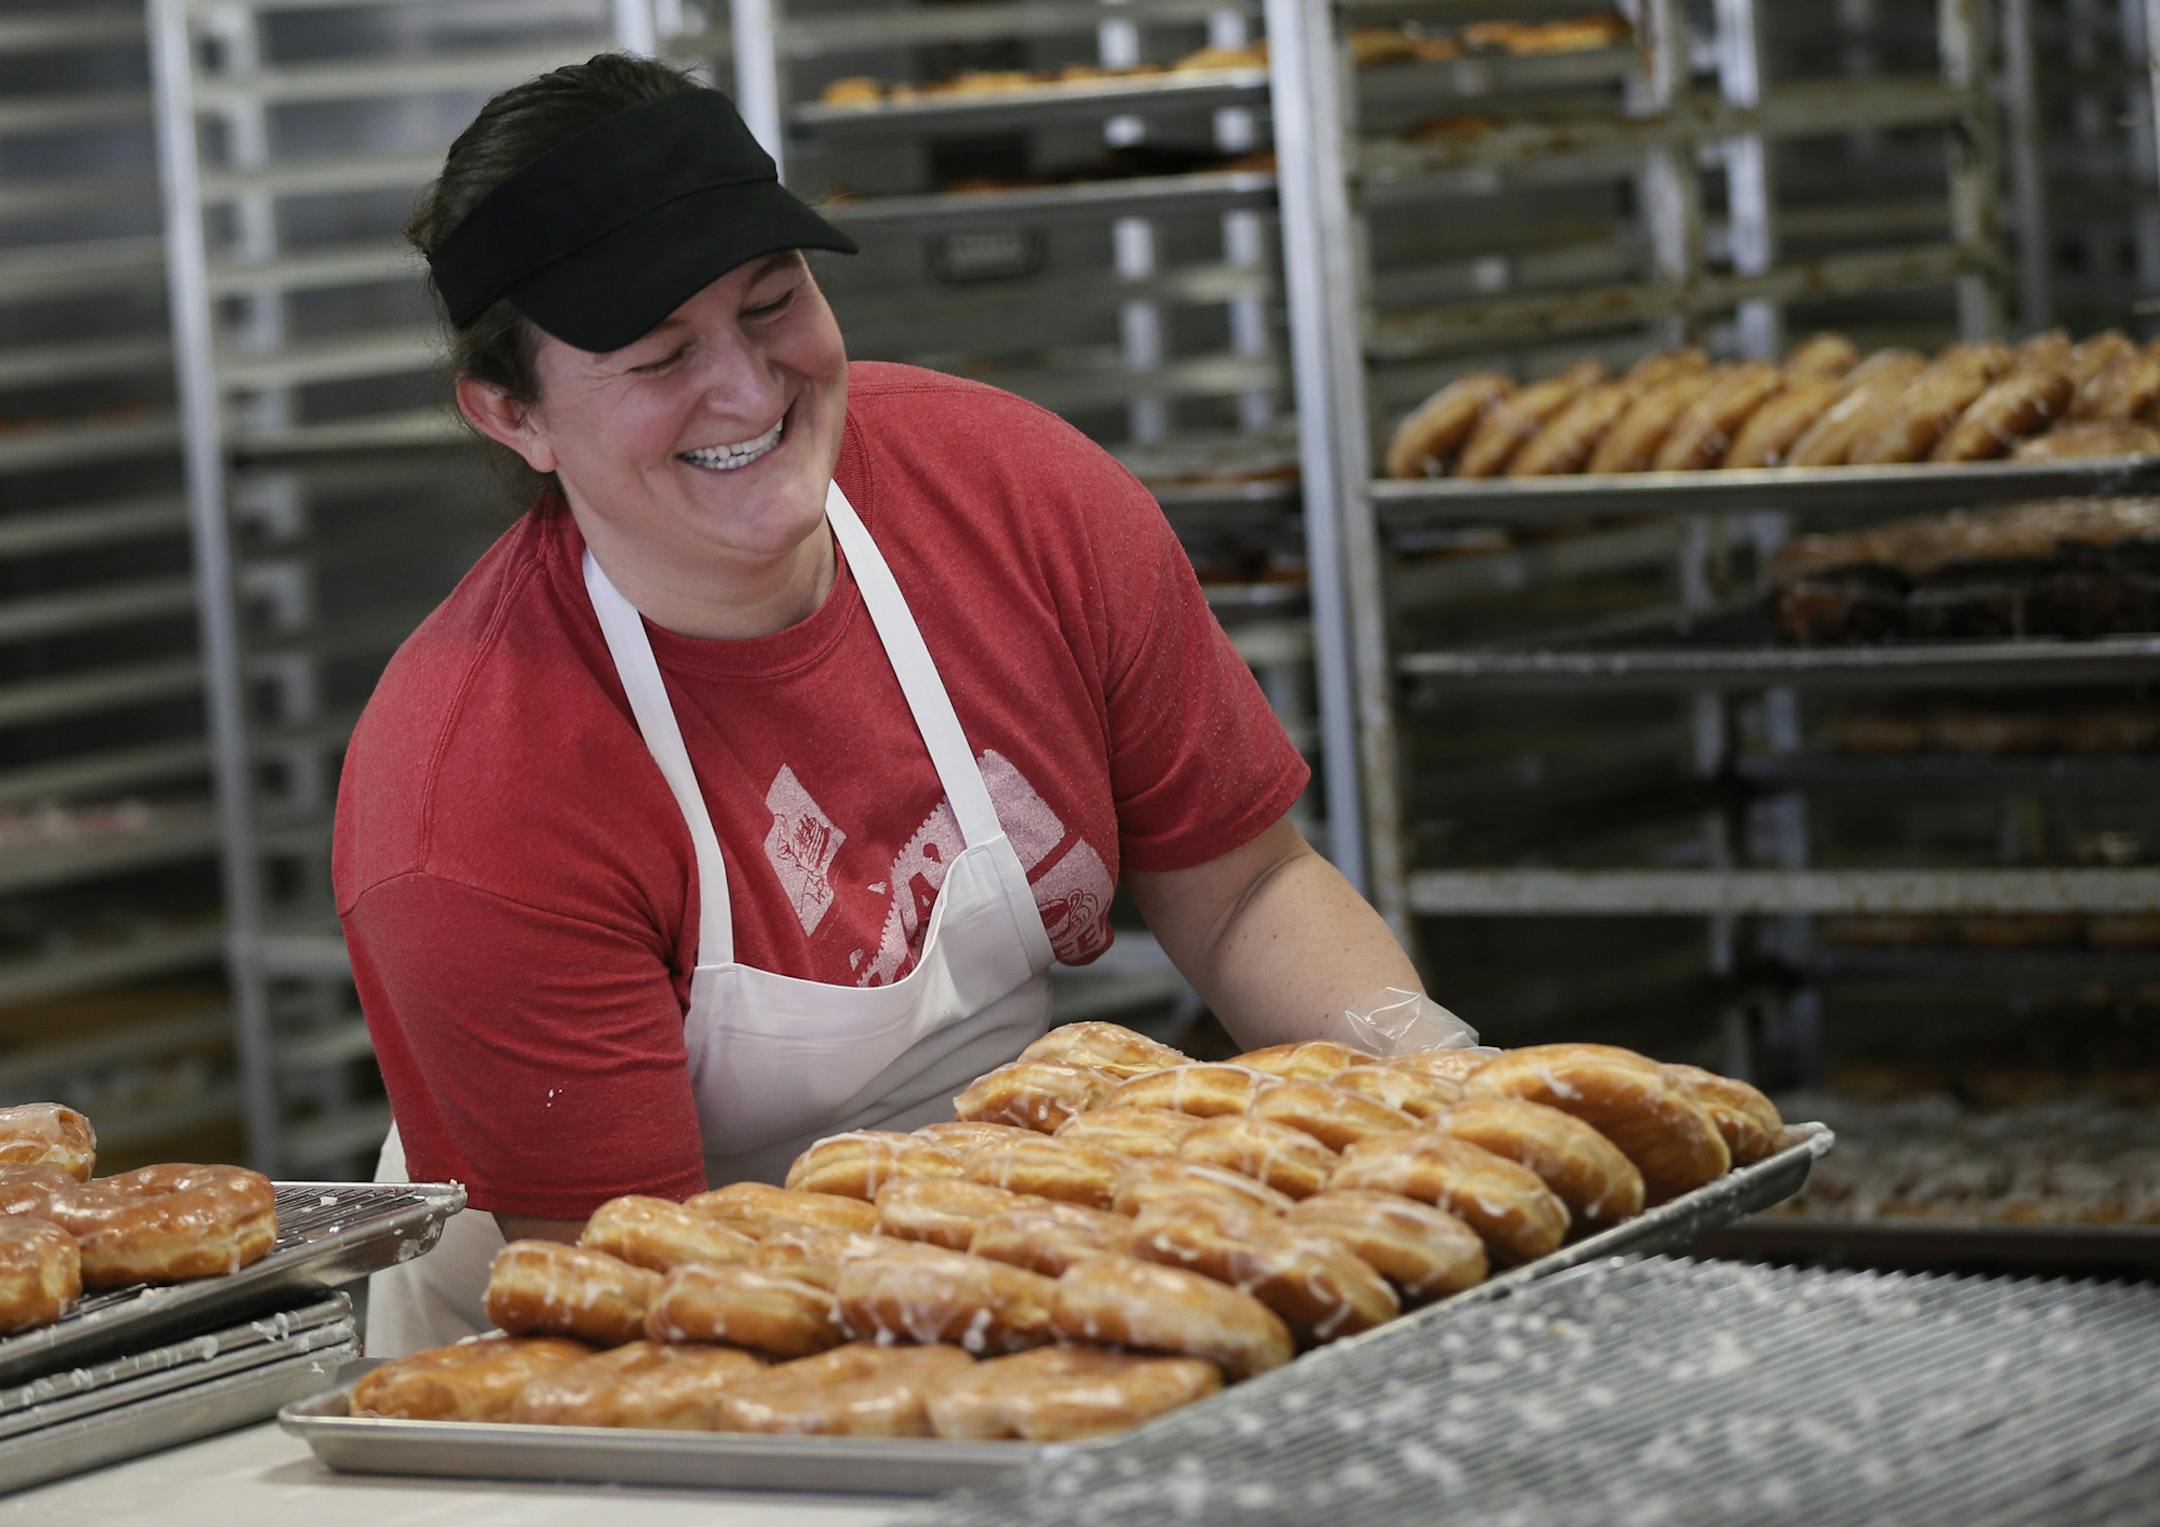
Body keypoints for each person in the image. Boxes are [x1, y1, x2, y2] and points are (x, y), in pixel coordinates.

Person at [334, 52, 1423, 1354]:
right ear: (513, 417)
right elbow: (634, 1293)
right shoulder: (477, 796)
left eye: (774, 303)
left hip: (983, 1263)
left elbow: (1242, 891)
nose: (747, 388)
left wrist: (1429, 1112)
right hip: (610, 1376)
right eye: (661, 354)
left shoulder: (1014, 498)